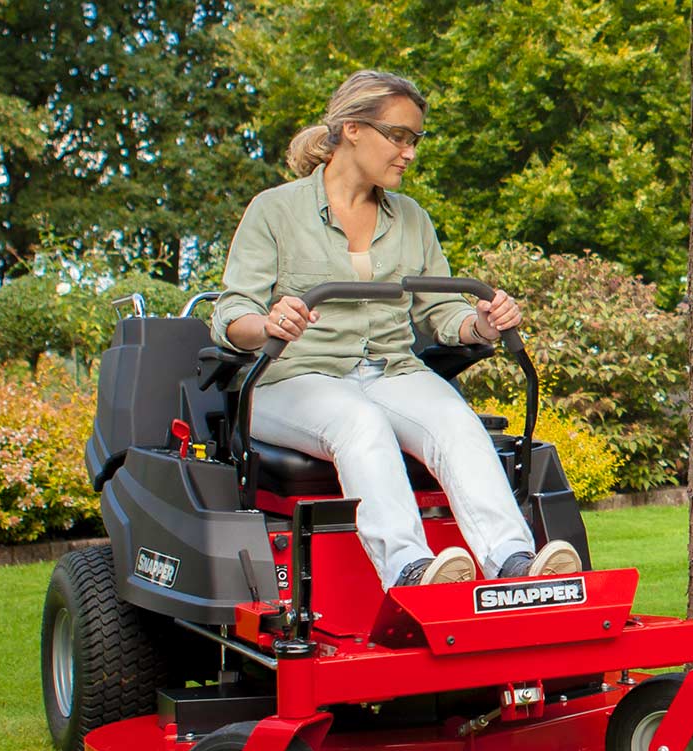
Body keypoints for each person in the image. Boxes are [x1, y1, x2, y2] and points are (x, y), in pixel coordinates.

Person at [213, 70, 578, 588]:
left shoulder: (411, 218)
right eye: (399, 136)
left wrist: (481, 321)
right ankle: (409, 570)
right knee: (359, 423)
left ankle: (512, 563)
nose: (409, 152)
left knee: (456, 422)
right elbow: (231, 316)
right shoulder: (274, 211)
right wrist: (269, 322)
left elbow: (442, 314)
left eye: (415, 140)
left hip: (390, 373)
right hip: (291, 380)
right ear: (354, 129)